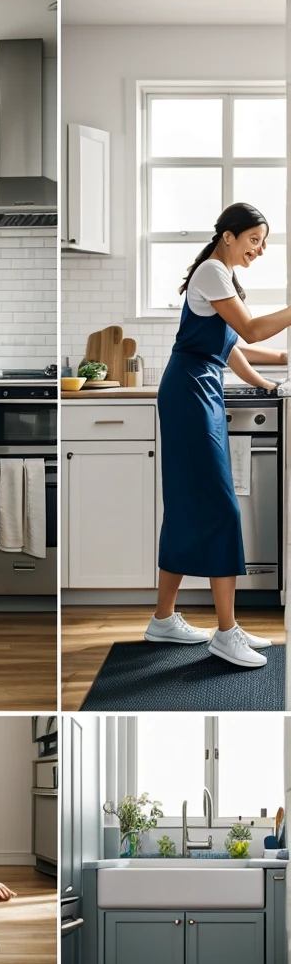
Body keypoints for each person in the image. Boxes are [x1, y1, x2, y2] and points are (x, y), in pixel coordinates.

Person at [145, 202, 290, 669]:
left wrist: (268, 381)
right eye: (254, 239)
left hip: (198, 389)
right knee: (220, 508)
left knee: (188, 506)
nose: (260, 249)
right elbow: (248, 328)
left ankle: (163, 619)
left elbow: (231, 348)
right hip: (189, 393)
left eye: (264, 242)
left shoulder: (220, 275)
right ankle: (225, 634)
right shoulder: (212, 271)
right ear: (229, 235)